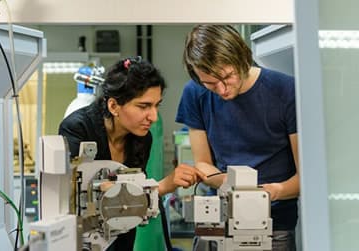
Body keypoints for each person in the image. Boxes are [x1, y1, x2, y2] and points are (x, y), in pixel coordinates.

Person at [59, 57, 206, 251]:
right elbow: (81, 197)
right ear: (113, 106)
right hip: (82, 238)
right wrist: (164, 186)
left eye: (157, 105)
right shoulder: (78, 129)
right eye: (143, 106)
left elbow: (131, 198)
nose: (153, 117)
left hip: (122, 234)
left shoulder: (141, 139)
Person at [176, 24, 300, 251]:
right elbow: (202, 162)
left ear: (242, 59)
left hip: (275, 225)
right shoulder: (194, 93)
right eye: (210, 84)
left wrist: (273, 191)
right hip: (219, 221)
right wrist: (230, 183)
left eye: (227, 77)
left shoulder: (286, 90)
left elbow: (307, 177)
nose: (222, 90)